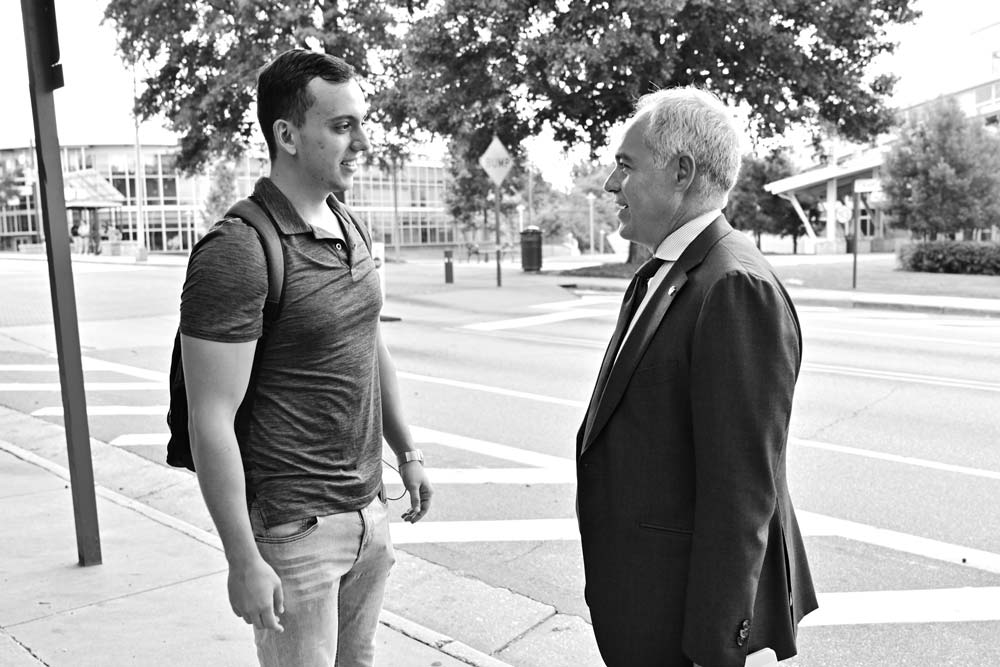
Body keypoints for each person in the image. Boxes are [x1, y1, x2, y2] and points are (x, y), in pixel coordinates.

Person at [179, 49, 432, 667]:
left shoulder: (349, 222)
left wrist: (407, 453)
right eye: (342, 126)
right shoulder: (238, 251)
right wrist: (243, 559)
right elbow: (209, 416)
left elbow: (371, 345)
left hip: (368, 512)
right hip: (295, 533)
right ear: (287, 136)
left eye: (360, 123)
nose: (361, 141)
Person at [576, 87, 817, 667]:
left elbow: (742, 490)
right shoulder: (663, 269)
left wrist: (714, 646)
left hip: (681, 625)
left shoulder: (734, 286)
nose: (611, 184)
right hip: (642, 600)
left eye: (625, 166)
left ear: (681, 172)